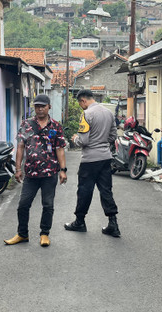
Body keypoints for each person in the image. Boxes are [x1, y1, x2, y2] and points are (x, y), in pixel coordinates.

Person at [4, 95, 67, 247]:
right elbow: (20, 147)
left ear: (49, 107)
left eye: (43, 106)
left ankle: (44, 234)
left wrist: (63, 170)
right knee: (23, 204)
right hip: (31, 174)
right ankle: (22, 234)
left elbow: (60, 149)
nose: (40, 108)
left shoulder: (56, 126)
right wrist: (18, 169)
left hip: (50, 173)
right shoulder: (26, 124)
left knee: (48, 205)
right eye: (37, 106)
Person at [64, 89, 120, 237]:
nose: (82, 106)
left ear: (83, 100)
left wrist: (75, 138)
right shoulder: (108, 112)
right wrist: (101, 142)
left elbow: (83, 141)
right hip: (105, 157)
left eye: (80, 103)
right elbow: (113, 135)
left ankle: (79, 222)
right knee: (106, 190)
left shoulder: (87, 114)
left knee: (84, 191)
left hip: (89, 160)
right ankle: (113, 223)